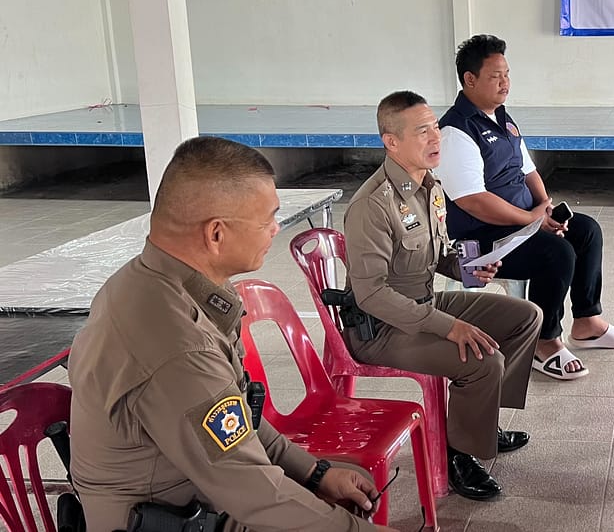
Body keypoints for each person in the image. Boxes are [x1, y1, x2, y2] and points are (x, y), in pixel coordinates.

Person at [68, 137, 398, 532]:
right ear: (216, 234)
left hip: (199, 496)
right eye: (267, 220)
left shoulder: (162, 284)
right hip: (172, 517)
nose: (275, 229)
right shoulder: (176, 344)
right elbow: (256, 495)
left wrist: (314, 473)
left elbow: (236, 418)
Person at [342, 90, 542, 502]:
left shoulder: (429, 186)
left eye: (435, 127)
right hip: (381, 327)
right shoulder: (372, 205)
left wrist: (466, 268)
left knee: (526, 317)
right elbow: (372, 294)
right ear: (391, 141)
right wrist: (449, 327)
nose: (436, 138)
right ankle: (458, 454)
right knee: (484, 361)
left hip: (423, 303)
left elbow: (433, 255)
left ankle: (481, 421)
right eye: (422, 131)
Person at [437, 34, 614, 382]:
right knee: (556, 253)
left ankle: (587, 322)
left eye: (507, 74)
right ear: (470, 79)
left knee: (585, 230)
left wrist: (545, 207)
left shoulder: (502, 119)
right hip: (480, 240)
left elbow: (528, 170)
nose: (505, 83)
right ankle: (544, 342)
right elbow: (473, 201)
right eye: (495, 76)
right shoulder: (456, 131)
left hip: (520, 224)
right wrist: (530, 219)